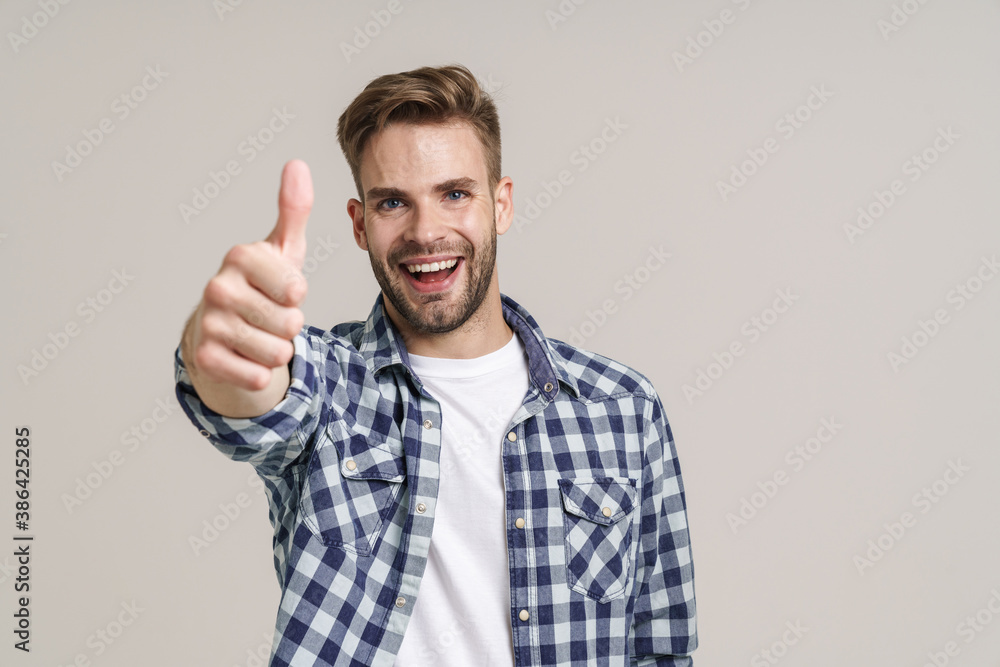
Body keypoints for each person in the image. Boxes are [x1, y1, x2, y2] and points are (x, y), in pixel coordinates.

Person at [173, 64, 697, 666]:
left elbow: (662, 646)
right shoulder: (327, 383)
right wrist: (220, 344)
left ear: (500, 204)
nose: (426, 232)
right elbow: (248, 396)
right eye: (393, 202)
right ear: (359, 224)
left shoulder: (622, 407)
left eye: (454, 193)